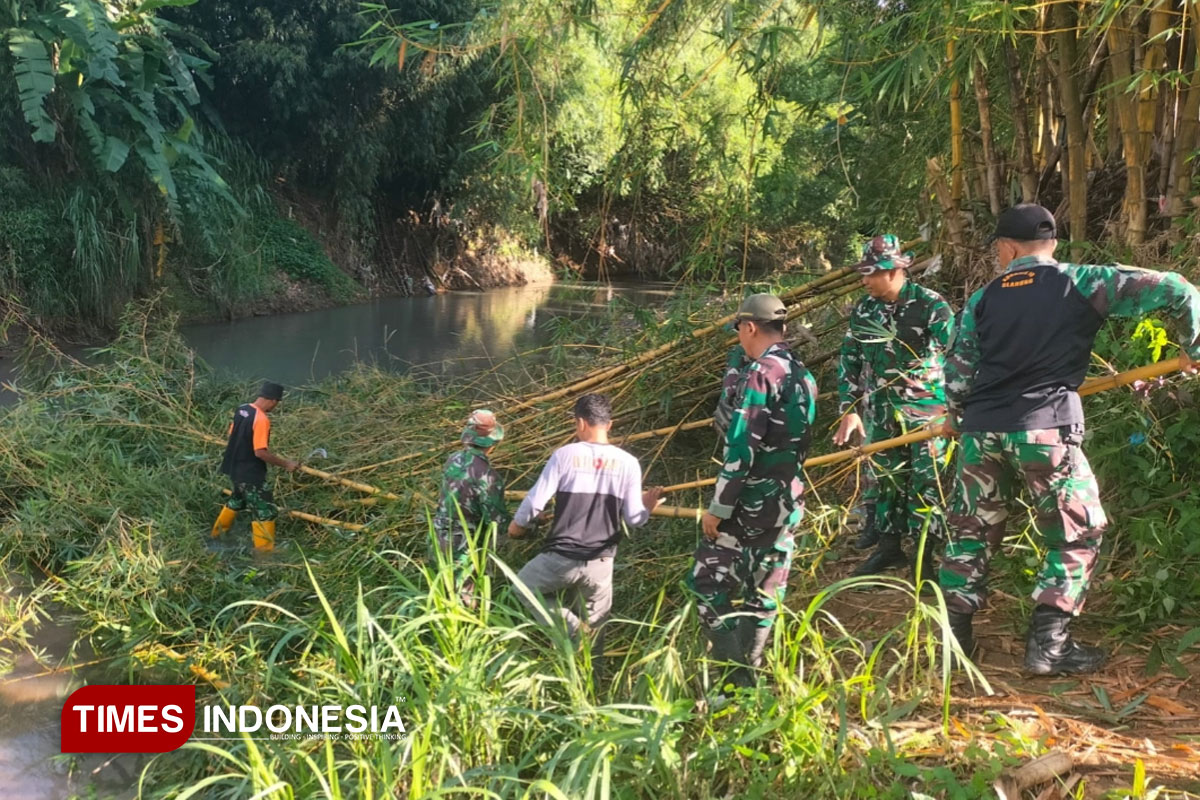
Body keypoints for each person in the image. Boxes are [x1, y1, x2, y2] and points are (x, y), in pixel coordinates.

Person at [940, 203, 1200, 675]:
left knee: (970, 532)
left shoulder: (982, 299)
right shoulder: (1082, 282)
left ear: (1007, 248)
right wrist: (1195, 345)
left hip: (981, 432)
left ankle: (954, 645)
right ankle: (1049, 645)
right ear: (1052, 245)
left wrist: (955, 415)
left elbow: (957, 374)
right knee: (1078, 532)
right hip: (1045, 430)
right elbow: (1177, 288)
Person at [693, 293, 817, 689]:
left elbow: (742, 448)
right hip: (788, 499)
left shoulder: (763, 373)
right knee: (765, 593)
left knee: (705, 584)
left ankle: (736, 677)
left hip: (750, 503)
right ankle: (751, 679)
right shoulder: (802, 374)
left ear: (749, 327)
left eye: (739, 332)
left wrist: (718, 507)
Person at [508, 394, 664, 664]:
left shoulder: (565, 455)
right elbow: (635, 519)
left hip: (560, 558)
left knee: (522, 588)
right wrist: (647, 507)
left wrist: (517, 526)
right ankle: (594, 688)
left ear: (580, 423)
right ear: (610, 424)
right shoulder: (628, 463)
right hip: (601, 563)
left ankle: (570, 627)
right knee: (596, 631)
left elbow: (535, 501)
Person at [834, 234, 955, 578]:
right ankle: (889, 549)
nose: (864, 280)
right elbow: (851, 358)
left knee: (925, 482)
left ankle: (923, 558)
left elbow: (956, 355)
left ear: (892, 271)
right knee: (887, 480)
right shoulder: (864, 309)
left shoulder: (930, 304)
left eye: (871, 273)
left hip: (926, 411)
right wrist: (850, 407)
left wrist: (957, 406)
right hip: (881, 410)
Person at [432, 409, 510, 605]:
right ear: (492, 444)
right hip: (465, 545)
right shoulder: (488, 476)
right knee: (467, 600)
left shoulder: (453, 459)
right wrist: (530, 525)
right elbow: (497, 521)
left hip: (439, 536)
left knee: (443, 593)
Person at [210, 382, 299, 553]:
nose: (275, 406)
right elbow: (260, 453)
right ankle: (264, 554)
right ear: (273, 400)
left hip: (234, 469)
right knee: (265, 510)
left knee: (236, 501)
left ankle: (216, 536)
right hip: (250, 474)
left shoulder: (242, 409)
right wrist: (287, 463)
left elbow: (231, 434)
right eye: (277, 403)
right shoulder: (262, 419)